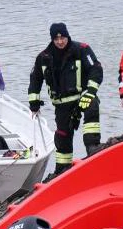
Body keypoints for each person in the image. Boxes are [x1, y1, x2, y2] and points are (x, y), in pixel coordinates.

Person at [28, 23, 103, 176]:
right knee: (63, 139)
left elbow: (96, 69)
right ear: (52, 39)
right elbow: (35, 80)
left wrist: (90, 92)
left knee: (93, 106)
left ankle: (93, 149)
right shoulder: (43, 57)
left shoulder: (82, 49)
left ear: (67, 36)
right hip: (62, 106)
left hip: (82, 98)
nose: (60, 41)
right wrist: (34, 104)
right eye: (56, 39)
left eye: (63, 38)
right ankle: (62, 172)